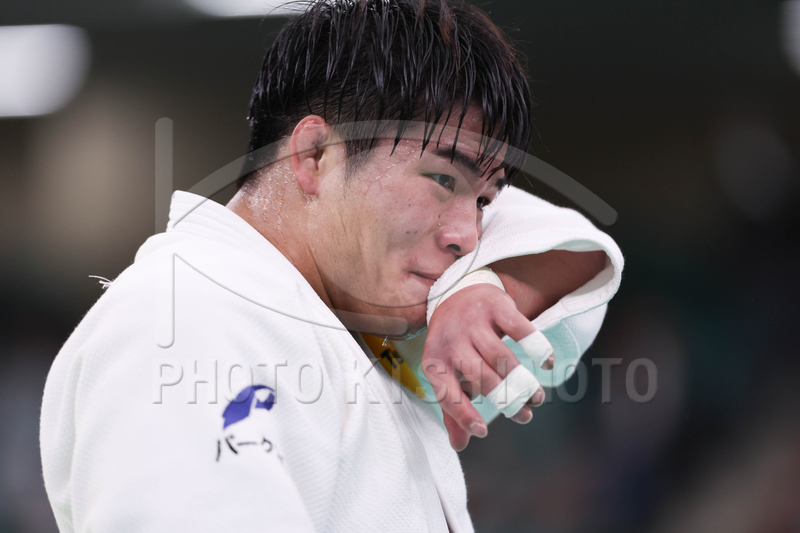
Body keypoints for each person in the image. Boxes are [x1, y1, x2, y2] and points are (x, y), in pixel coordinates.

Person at [40, 0, 623, 531]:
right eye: (444, 180)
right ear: (316, 154)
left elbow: (572, 243)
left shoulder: (357, 322)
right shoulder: (188, 318)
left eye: (483, 202)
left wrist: (480, 285)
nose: (467, 236)